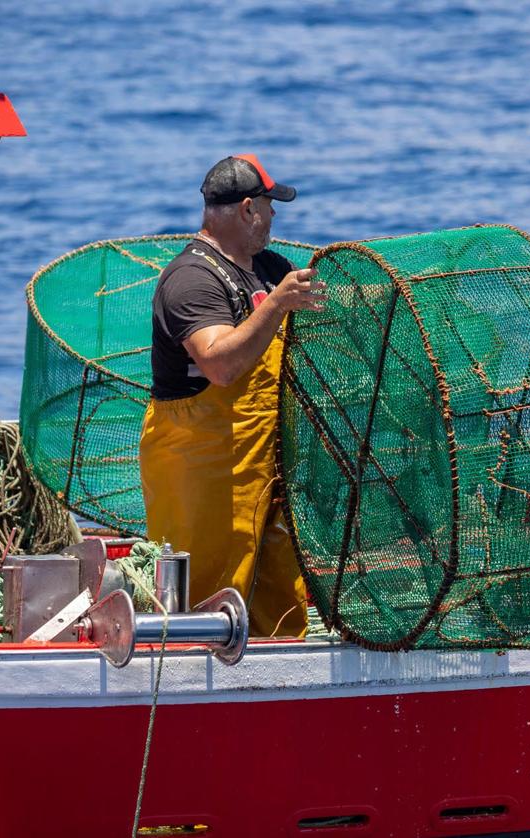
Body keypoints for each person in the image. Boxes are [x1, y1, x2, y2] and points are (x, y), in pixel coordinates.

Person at [139, 153, 327, 637]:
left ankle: (282, 683)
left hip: (267, 463)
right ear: (247, 209)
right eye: (270, 206)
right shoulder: (191, 279)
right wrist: (279, 304)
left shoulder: (270, 267)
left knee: (279, 594)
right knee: (209, 598)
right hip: (206, 471)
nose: (275, 216)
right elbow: (220, 364)